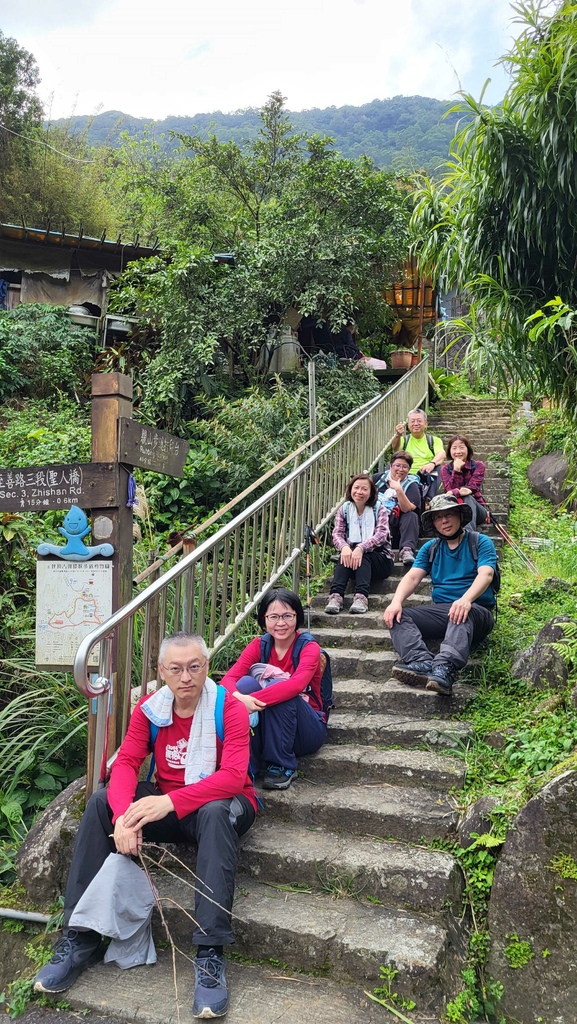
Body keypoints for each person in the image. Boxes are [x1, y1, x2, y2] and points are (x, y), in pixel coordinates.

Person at [34, 632, 257, 1020]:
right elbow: (124, 764)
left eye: (195, 667)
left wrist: (167, 801)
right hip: (169, 806)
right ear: (161, 671)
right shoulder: (151, 710)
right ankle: (79, 936)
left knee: (217, 811)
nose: (186, 677)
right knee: (102, 800)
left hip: (221, 807)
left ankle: (209, 955)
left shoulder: (229, 709)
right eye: (176, 668)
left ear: (207, 667)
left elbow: (233, 778)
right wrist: (124, 817)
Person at [383, 494, 497, 696]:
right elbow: (412, 578)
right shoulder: (431, 548)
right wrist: (396, 602)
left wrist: (466, 600)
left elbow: (486, 574)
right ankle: (422, 662)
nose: (444, 521)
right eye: (438, 517)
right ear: (433, 523)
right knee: (399, 615)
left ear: (460, 516)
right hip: (444, 611)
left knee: (462, 611)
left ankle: (445, 668)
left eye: (449, 514)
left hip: (477, 611)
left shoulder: (480, 541)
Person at [221, 588, 327, 791]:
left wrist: (250, 700)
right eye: (274, 616)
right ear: (264, 619)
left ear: (297, 617)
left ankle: (283, 764)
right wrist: (239, 698)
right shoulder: (259, 645)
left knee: (282, 689)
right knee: (243, 685)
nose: (281, 623)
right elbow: (228, 680)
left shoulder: (308, 647)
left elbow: (295, 686)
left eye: (288, 616)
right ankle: (247, 761)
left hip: (306, 730)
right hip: (269, 725)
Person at [324, 473, 394, 615]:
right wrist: (344, 547)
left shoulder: (379, 508)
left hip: (380, 559)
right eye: (356, 488)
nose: (359, 492)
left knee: (363, 554)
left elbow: (381, 535)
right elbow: (337, 533)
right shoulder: (344, 509)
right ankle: (336, 596)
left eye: (364, 489)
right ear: (350, 490)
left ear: (371, 492)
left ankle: (361, 597)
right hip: (353, 560)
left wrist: (361, 548)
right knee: (344, 556)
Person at [374, 451, 422, 566]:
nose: (401, 469)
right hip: (378, 525)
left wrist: (399, 490)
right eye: (397, 465)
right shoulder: (378, 479)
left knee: (411, 515)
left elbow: (407, 508)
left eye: (405, 467)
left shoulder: (412, 484)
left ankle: (406, 550)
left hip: (398, 528)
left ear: (409, 469)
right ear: (390, 466)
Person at [391, 407, 445, 500]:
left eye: (419, 421)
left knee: (439, 469)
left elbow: (441, 454)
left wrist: (432, 464)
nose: (416, 423)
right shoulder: (404, 440)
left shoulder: (433, 440)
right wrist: (397, 435)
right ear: (408, 424)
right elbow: (396, 449)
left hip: (426, 474)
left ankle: (429, 499)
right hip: (405, 473)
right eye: (412, 421)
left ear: (425, 423)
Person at [440, 434, 489, 529]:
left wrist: (453, 492)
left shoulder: (478, 465)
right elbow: (449, 490)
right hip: (453, 508)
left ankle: (469, 535)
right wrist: (457, 469)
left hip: (477, 509)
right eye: (454, 448)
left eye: (461, 447)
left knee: (467, 498)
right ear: (450, 451)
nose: (458, 451)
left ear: (468, 449)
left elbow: (472, 488)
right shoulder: (445, 469)